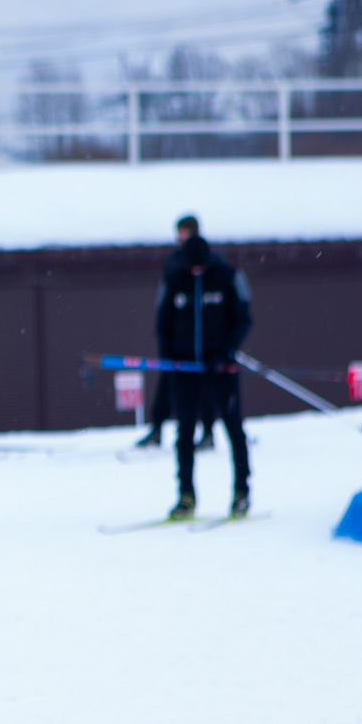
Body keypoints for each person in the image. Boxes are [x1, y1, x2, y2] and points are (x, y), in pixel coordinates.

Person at [155, 214, 252, 519]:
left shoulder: (226, 276)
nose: (195, 270)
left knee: (233, 428)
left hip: (220, 368)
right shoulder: (175, 279)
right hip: (185, 370)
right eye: (191, 266)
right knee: (184, 432)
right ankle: (186, 496)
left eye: (200, 265)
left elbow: (243, 318)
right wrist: (171, 359)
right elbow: (163, 324)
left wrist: (226, 352)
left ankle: (241, 492)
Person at [134, 217, 220, 452]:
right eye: (179, 235)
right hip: (178, 340)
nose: (181, 240)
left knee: (205, 388)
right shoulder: (174, 262)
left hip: (202, 342)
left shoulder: (209, 261)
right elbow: (166, 300)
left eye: (185, 235)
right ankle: (157, 428)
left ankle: (208, 431)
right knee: (167, 383)